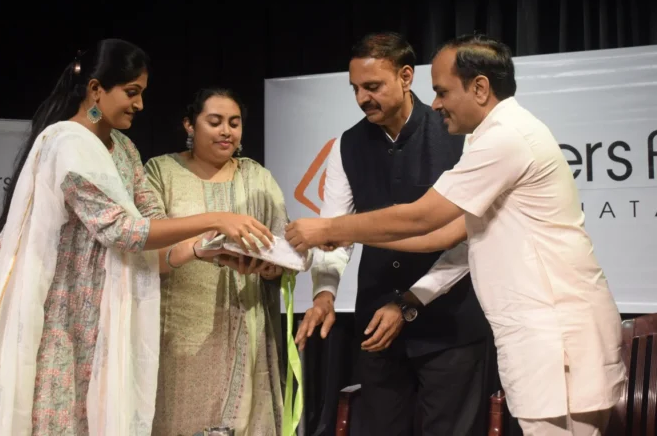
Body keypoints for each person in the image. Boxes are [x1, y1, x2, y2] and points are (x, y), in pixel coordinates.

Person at [285, 34, 626, 436]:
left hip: (548, 334)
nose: (437, 103)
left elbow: (423, 218)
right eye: (355, 88)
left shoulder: (501, 138)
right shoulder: (496, 133)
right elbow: (442, 235)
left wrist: (329, 229)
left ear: (479, 88)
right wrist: (335, 260)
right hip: (540, 336)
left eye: (443, 91)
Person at [0, 40, 273, 436]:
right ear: (95, 89)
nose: (139, 104)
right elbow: (123, 230)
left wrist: (204, 247)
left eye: (141, 93)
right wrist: (217, 219)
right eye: (131, 92)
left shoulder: (124, 148)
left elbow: (153, 224)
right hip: (62, 312)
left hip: (106, 311)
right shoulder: (67, 143)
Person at [294, 32, 491, 436]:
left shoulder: (461, 135)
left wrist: (409, 302)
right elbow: (335, 234)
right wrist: (324, 293)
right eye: (355, 89)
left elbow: (466, 240)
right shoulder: (346, 145)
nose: (362, 98)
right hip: (376, 330)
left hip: (451, 327)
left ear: (405, 77)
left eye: (372, 86)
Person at [144, 88, 288, 436]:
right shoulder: (161, 172)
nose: (226, 131)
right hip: (178, 335)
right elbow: (145, 252)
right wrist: (197, 245)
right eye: (215, 122)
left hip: (247, 329)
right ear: (189, 125)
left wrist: (272, 269)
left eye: (234, 123)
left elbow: (284, 248)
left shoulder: (257, 177)